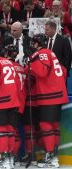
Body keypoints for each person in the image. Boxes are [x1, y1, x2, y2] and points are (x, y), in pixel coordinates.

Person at [27, 33, 68, 168]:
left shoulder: (43, 53)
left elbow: (41, 72)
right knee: (54, 126)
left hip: (49, 94)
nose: (33, 46)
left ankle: (51, 156)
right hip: (58, 93)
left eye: (34, 43)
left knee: (45, 125)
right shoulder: (51, 53)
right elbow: (63, 70)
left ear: (38, 43)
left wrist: (30, 64)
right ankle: (53, 155)